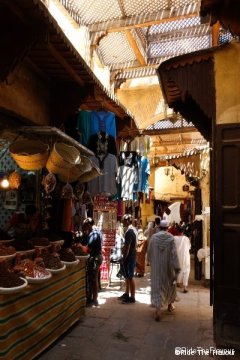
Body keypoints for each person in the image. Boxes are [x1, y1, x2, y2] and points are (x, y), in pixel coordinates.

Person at [148, 219, 180, 321]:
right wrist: (177, 268)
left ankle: (158, 310)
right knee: (170, 285)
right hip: (168, 268)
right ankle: (170, 306)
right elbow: (174, 255)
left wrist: (150, 261)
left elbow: (149, 251)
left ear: (159, 227)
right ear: (167, 228)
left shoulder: (153, 238)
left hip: (157, 267)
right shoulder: (171, 238)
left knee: (157, 287)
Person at [79, 218, 103, 307]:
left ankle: (95, 300)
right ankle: (90, 298)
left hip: (95, 257)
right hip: (95, 257)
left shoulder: (94, 234)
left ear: (89, 225)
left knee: (93, 279)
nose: (84, 228)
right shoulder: (93, 232)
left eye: (85, 226)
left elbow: (88, 248)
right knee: (91, 278)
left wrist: (80, 246)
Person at [118, 214, 137, 304]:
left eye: (123, 221)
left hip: (130, 256)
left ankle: (132, 297)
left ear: (127, 221)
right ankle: (127, 293)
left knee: (130, 277)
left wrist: (124, 257)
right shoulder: (132, 230)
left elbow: (128, 247)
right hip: (131, 255)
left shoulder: (129, 232)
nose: (123, 223)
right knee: (127, 277)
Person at [174, 224, 191, 293]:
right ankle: (185, 287)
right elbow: (189, 247)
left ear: (177, 231)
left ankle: (177, 283)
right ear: (183, 231)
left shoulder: (174, 238)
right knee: (186, 271)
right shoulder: (186, 238)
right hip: (186, 257)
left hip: (177, 257)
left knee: (177, 271)